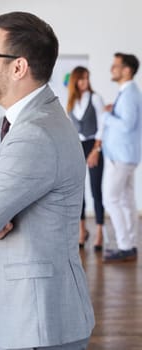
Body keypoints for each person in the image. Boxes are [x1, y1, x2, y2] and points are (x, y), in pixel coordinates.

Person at [0, 12, 95, 349]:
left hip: (37, 323)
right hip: (19, 316)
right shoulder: (16, 122)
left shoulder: (34, 133)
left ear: (18, 67)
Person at [101, 52, 142, 263]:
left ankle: (125, 245)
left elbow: (126, 125)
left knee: (111, 199)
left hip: (120, 157)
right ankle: (130, 245)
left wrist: (107, 115)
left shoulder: (130, 93)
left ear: (127, 70)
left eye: (116, 65)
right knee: (126, 201)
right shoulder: (129, 93)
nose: (112, 69)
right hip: (125, 155)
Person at [66, 66, 105, 251]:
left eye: (87, 79)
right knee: (78, 191)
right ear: (75, 81)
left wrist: (96, 150)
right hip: (76, 147)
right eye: (81, 79)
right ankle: (82, 231)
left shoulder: (96, 99)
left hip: (93, 145)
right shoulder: (72, 102)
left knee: (96, 190)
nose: (85, 82)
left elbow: (102, 126)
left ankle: (99, 233)